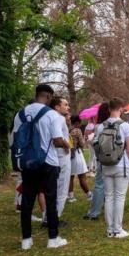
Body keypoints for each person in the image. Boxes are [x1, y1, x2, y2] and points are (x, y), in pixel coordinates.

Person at [13, 84, 70, 250]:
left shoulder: (20, 114)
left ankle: (26, 240)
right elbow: (57, 140)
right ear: (49, 96)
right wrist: (67, 144)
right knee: (51, 199)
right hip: (48, 162)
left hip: (28, 162)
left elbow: (16, 139)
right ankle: (53, 238)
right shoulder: (52, 114)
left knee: (27, 199)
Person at [97, 98, 129, 238]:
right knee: (119, 197)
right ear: (121, 109)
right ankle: (118, 229)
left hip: (106, 165)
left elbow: (97, 146)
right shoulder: (125, 126)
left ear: (108, 109)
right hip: (121, 165)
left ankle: (110, 229)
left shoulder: (101, 126)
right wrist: (128, 160)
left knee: (109, 197)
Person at [83, 102, 110, 220]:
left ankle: (94, 211)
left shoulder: (99, 127)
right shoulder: (119, 124)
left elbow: (96, 143)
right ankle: (109, 210)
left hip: (102, 159)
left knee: (99, 185)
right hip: (115, 159)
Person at [50, 96, 72, 225]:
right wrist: (66, 144)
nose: (68, 107)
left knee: (54, 188)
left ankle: (49, 217)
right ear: (57, 107)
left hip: (55, 157)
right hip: (61, 157)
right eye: (65, 104)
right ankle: (55, 218)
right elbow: (57, 138)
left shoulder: (51, 117)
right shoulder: (58, 118)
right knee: (62, 188)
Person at [68, 115, 92, 202]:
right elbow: (82, 144)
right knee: (82, 176)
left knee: (70, 176)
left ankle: (70, 196)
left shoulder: (68, 129)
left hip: (69, 155)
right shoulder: (77, 131)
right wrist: (85, 139)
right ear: (77, 123)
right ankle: (89, 194)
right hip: (77, 155)